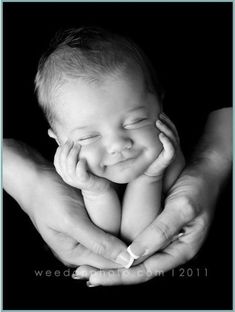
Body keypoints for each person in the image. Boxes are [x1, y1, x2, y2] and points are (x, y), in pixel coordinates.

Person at [34, 26, 185, 256]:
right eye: (88, 137)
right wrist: (96, 191)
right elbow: (111, 237)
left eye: (135, 121)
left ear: (160, 105)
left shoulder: (170, 159)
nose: (117, 145)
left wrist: (151, 176)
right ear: (59, 141)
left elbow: (135, 238)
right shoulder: (74, 177)